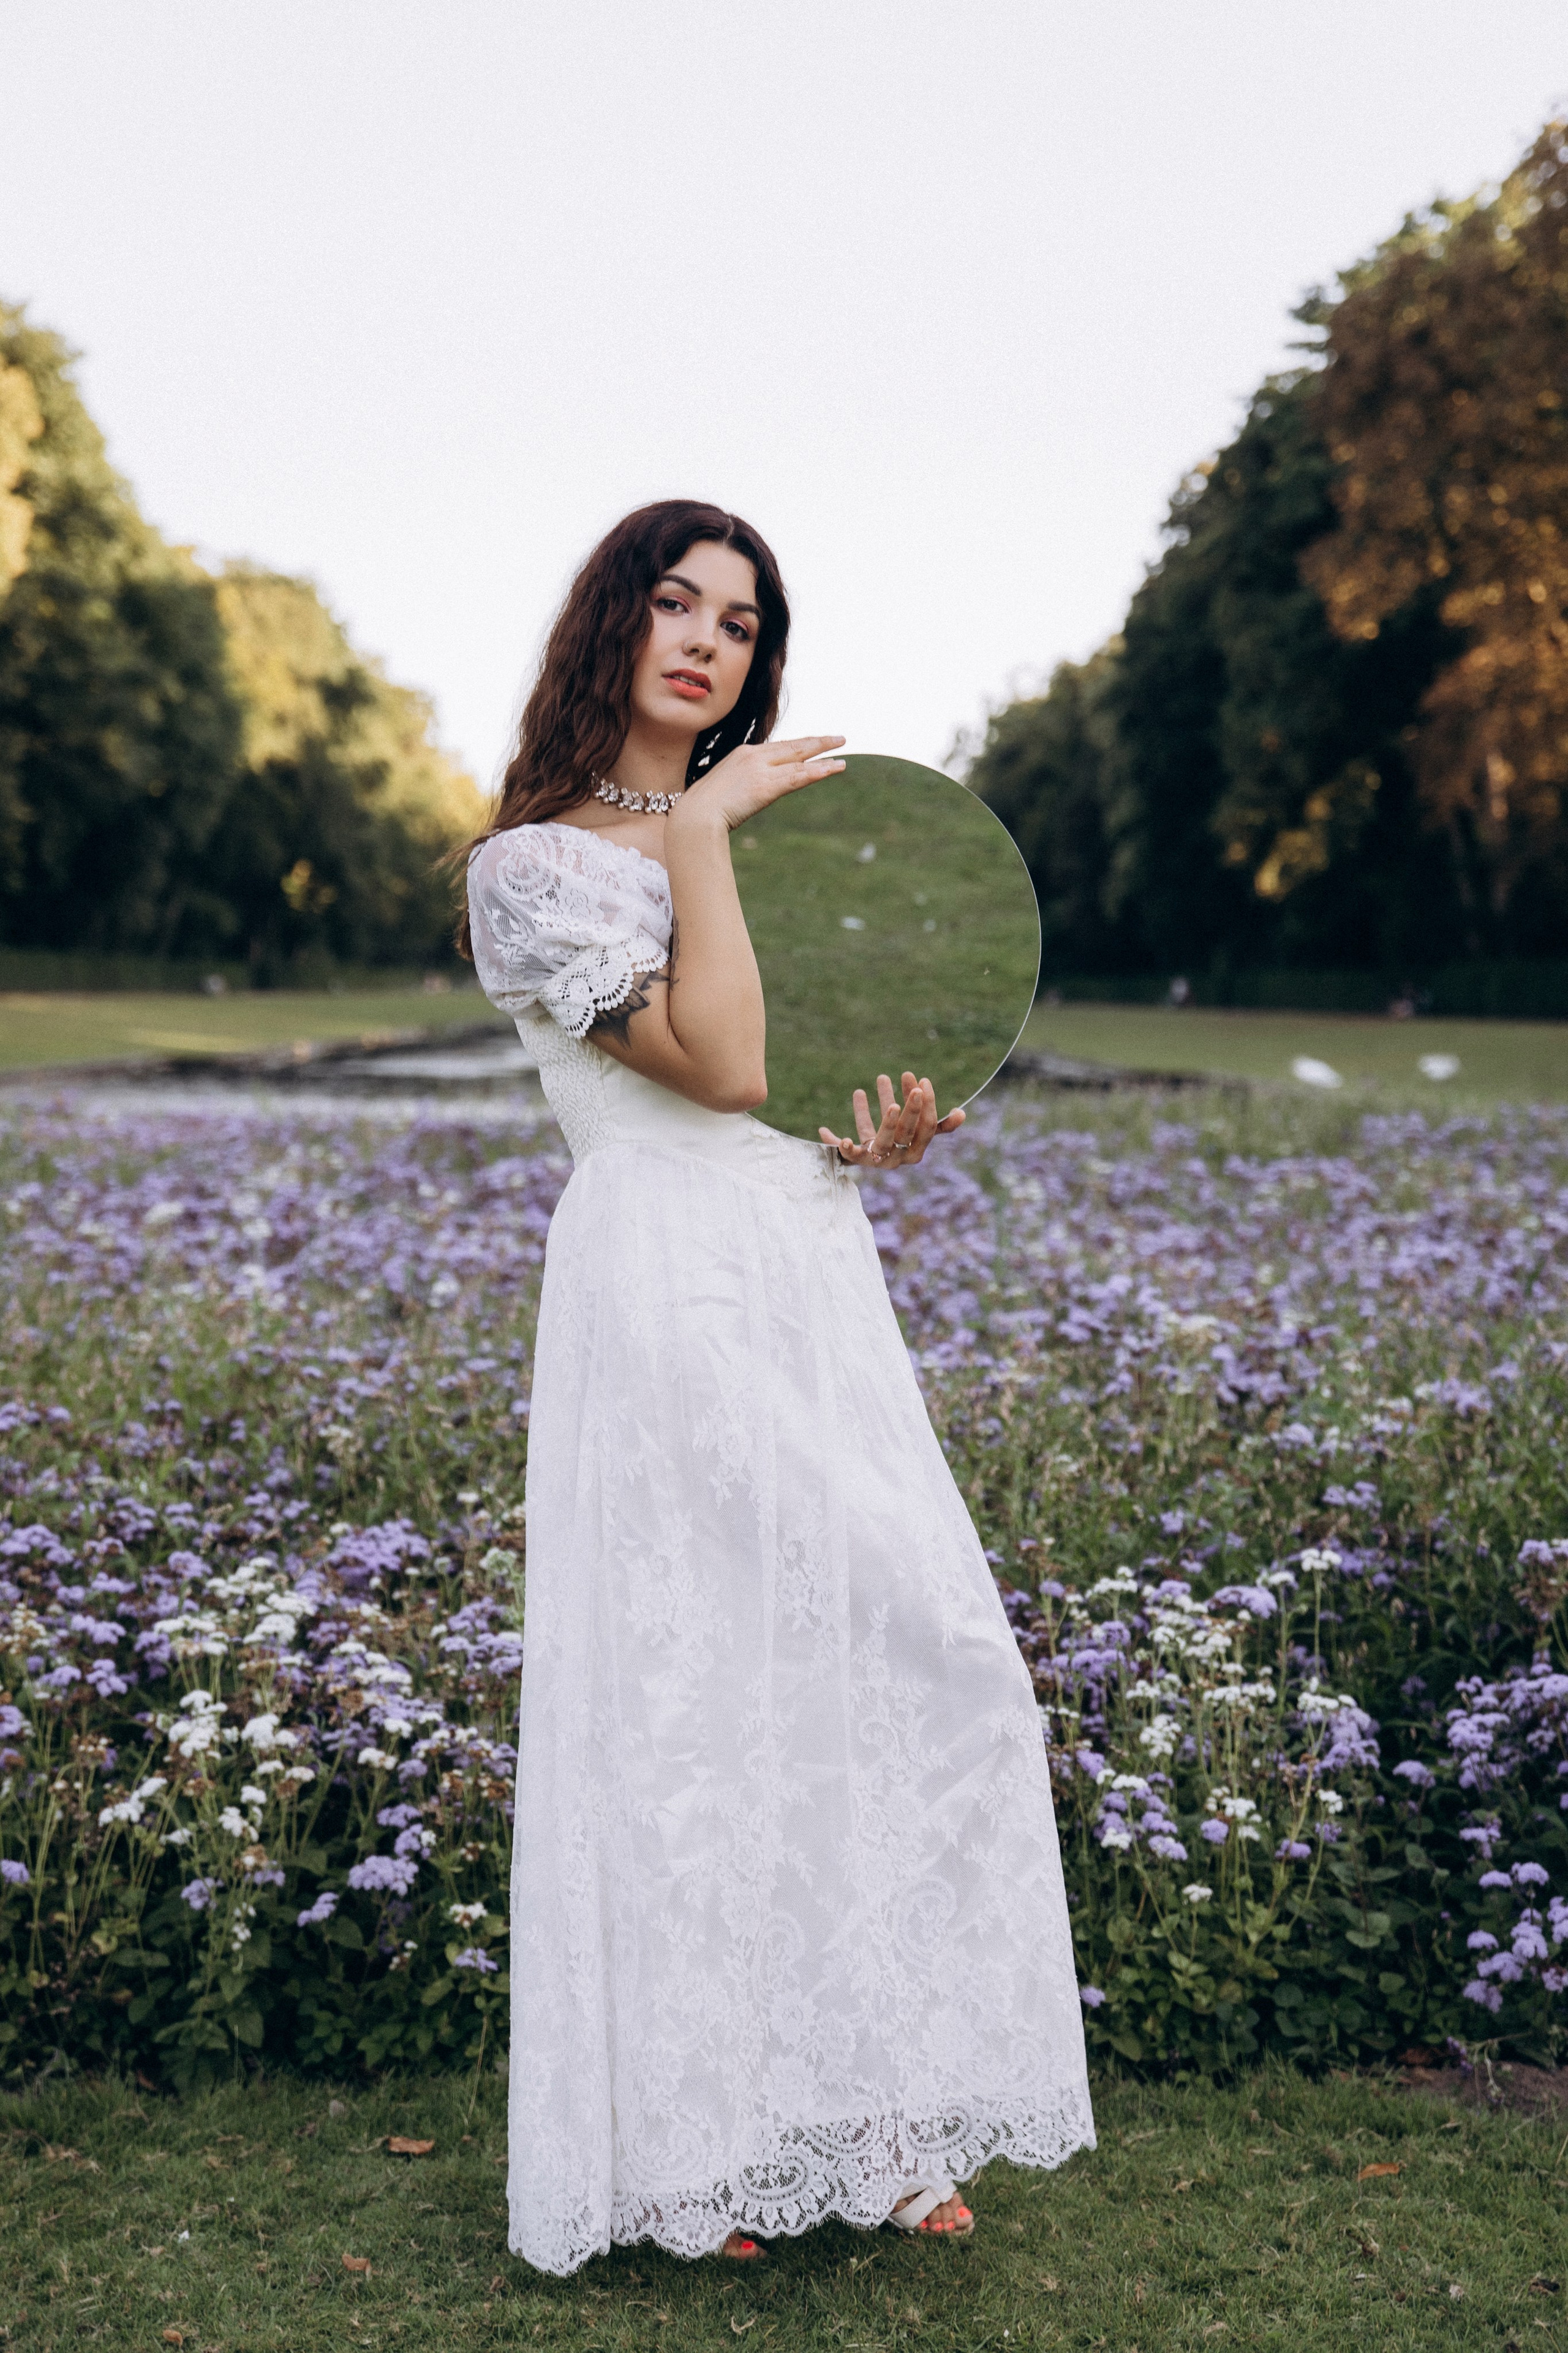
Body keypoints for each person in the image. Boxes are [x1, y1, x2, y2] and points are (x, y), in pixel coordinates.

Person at [461, 500, 1094, 2278]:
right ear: (613, 620)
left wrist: (877, 1130)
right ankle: (686, 2156)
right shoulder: (531, 871)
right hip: (662, 1283)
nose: (708, 643)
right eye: (675, 604)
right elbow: (718, 1065)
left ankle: (873, 2111)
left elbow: (789, 1082)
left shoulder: (761, 837)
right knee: (686, 1702)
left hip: (808, 1266)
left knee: (894, 1661)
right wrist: (706, 829)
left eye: (742, 623)